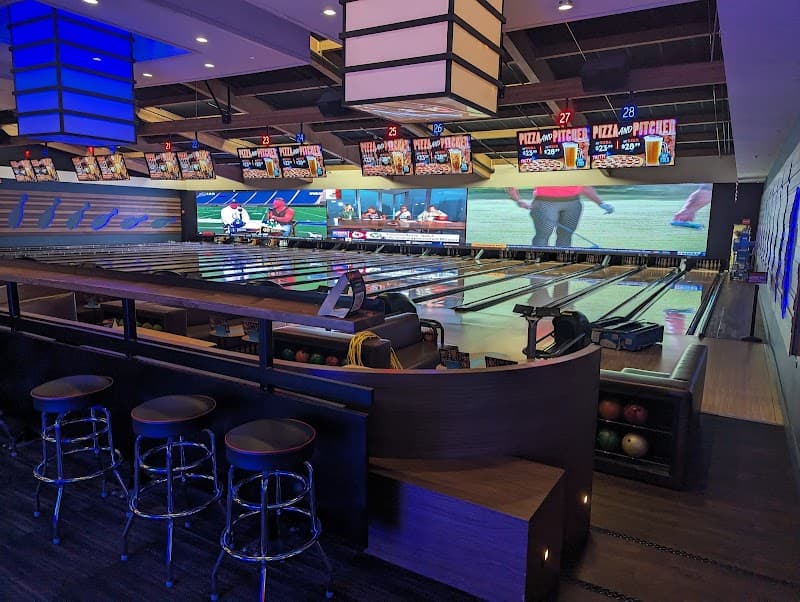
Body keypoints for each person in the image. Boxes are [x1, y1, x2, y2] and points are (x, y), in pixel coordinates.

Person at [506, 186, 613, 248]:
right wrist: (517, 199)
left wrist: (600, 203)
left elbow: (585, 186)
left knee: (566, 235)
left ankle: (561, 263)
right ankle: (537, 262)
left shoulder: (577, 160)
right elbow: (512, 182)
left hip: (573, 203)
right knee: (543, 234)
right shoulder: (541, 160)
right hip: (545, 202)